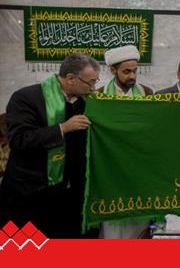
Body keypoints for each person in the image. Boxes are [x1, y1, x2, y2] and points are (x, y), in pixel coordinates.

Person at [0, 53, 100, 238]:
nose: (93, 88)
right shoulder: (26, 98)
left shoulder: (87, 102)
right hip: (33, 193)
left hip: (71, 195)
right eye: (90, 83)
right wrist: (62, 128)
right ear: (70, 78)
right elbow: (20, 139)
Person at [97, 45, 152, 239]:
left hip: (138, 167)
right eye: (126, 71)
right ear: (113, 70)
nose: (132, 76)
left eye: (135, 71)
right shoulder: (100, 95)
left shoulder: (146, 93)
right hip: (112, 168)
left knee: (137, 223)